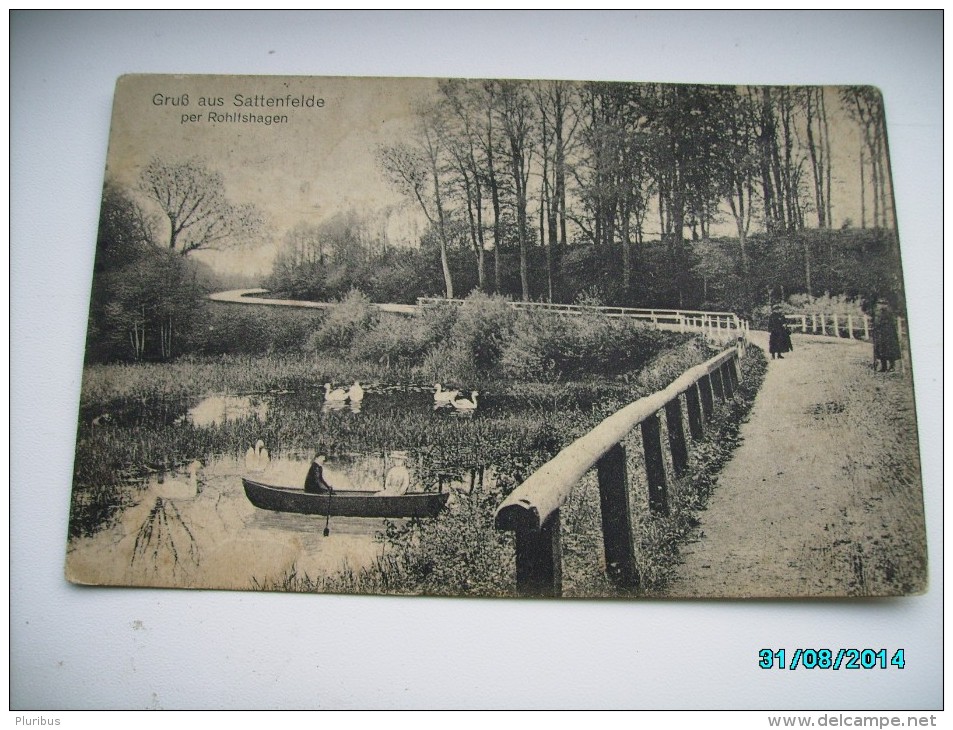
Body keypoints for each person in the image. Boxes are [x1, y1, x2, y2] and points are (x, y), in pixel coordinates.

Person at [872, 301, 901, 372]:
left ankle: (892, 366)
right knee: (881, 350)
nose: (879, 305)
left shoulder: (888, 312)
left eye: (881, 304)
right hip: (881, 334)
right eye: (879, 304)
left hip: (888, 335)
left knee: (889, 350)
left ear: (885, 305)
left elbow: (891, 324)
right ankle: (884, 367)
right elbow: (877, 322)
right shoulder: (879, 313)